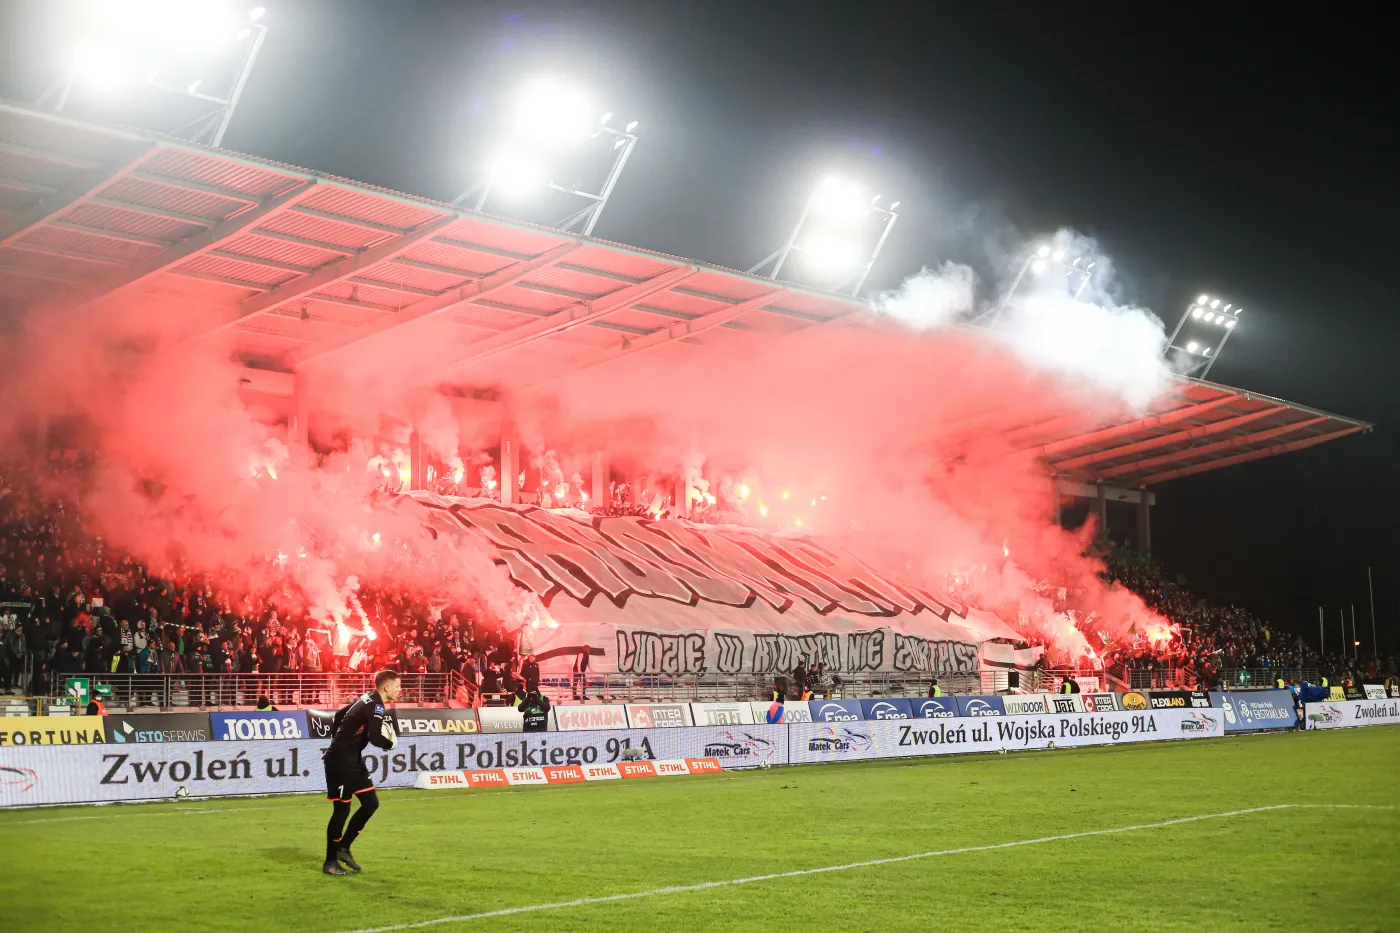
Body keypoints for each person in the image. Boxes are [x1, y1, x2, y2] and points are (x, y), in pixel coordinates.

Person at [321, 669, 401, 876]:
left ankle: (343, 848)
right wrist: (388, 744)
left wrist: (343, 741)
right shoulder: (375, 704)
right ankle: (330, 862)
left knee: (370, 803)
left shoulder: (368, 698)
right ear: (386, 687)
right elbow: (375, 737)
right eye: (398, 686)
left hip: (352, 760)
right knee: (341, 811)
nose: (400, 690)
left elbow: (339, 715)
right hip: (340, 762)